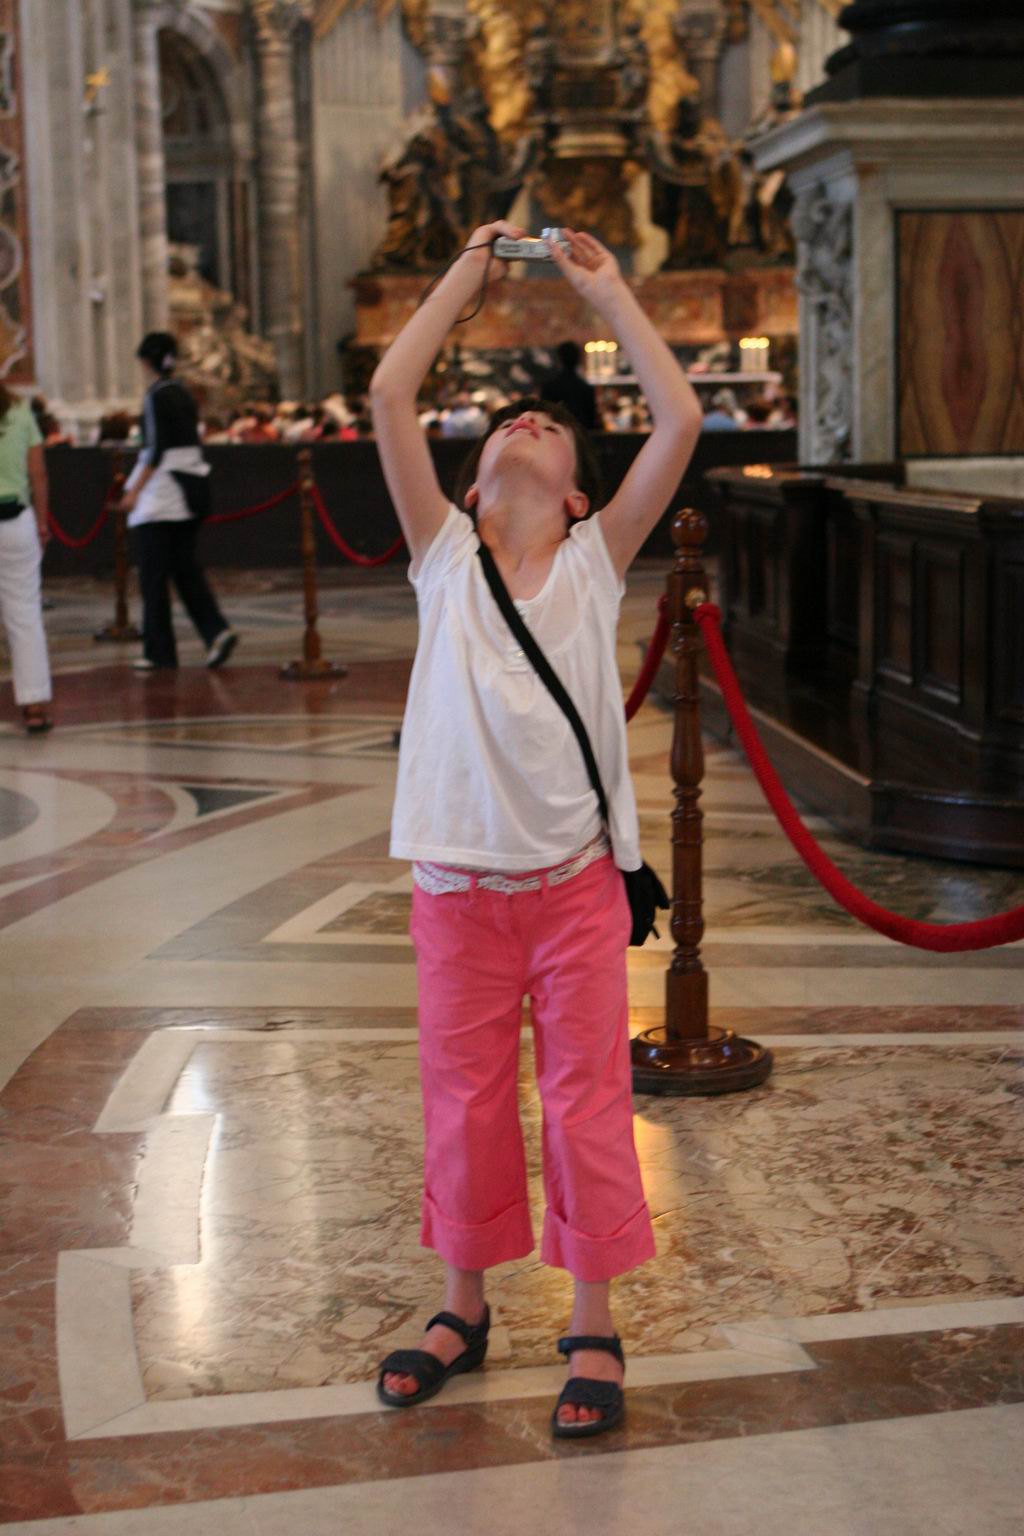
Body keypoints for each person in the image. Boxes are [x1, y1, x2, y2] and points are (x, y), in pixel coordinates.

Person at [370, 222, 702, 1438]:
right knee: (460, 1103)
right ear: (469, 488)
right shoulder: (441, 558)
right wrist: (465, 276)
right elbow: (390, 392)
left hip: (569, 889)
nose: (521, 420)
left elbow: (678, 420)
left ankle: (592, 1318)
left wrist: (605, 293)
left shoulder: (594, 562)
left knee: (584, 1103)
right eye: (505, 422)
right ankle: (461, 1307)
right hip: (457, 892)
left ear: (574, 496)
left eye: (547, 427)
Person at [121, 332, 237, 672]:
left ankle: (159, 651)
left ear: (147, 361)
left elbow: (155, 449)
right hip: (191, 490)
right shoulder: (184, 393)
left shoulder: (155, 395)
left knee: (153, 577)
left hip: (162, 497)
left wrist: (133, 491)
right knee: (185, 570)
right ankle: (216, 631)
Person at [0, 385, 54, 732]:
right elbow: (38, 473)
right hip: (15, 522)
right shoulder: (20, 411)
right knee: (25, 616)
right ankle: (34, 705)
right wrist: (42, 523)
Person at [540, 339, 598, 430]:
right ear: (578, 359)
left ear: (559, 359)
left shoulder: (550, 387)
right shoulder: (585, 388)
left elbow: (544, 417)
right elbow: (591, 421)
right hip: (580, 435)